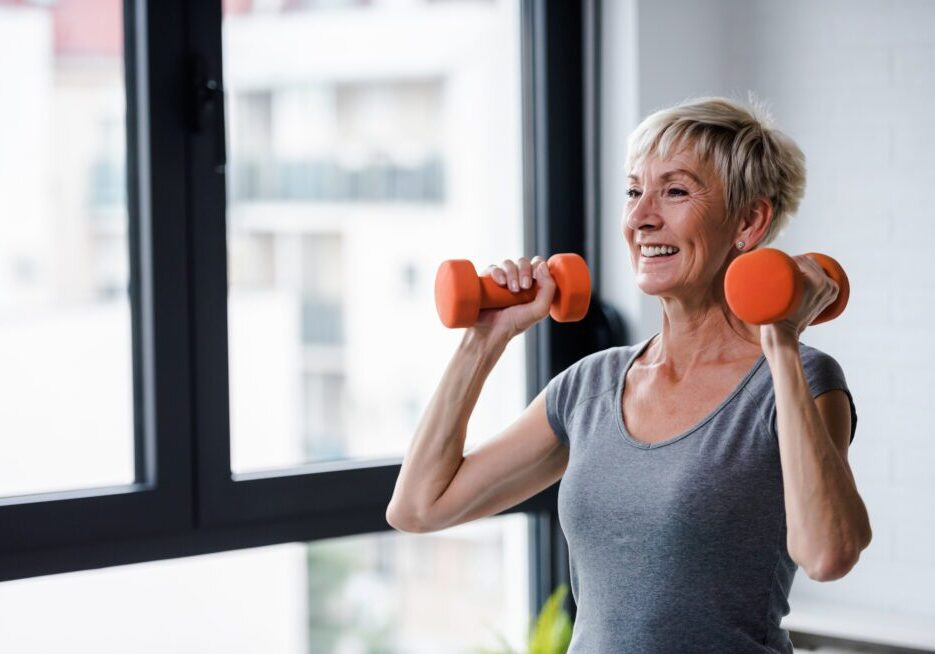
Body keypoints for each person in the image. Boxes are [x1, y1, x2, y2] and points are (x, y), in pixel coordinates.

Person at [386, 96, 872, 653]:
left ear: (748, 221)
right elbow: (419, 507)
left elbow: (829, 553)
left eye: (676, 190)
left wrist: (780, 340)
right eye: (634, 190)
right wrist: (484, 339)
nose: (642, 217)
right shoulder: (590, 387)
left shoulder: (800, 381)